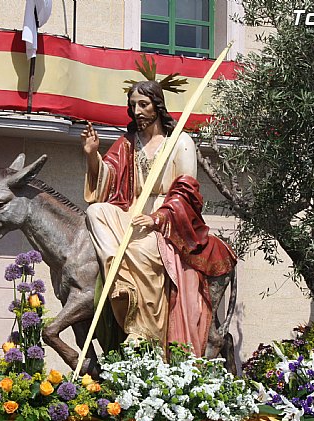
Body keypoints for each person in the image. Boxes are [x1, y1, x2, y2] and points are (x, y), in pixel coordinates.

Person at [81, 80, 237, 356]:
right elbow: (107, 181)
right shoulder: (128, 143)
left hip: (167, 220)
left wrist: (157, 219)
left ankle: (145, 328)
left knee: (141, 250)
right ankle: (118, 276)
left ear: (157, 106)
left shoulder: (179, 142)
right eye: (133, 105)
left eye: (143, 104)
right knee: (95, 212)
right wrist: (93, 156)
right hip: (131, 213)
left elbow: (187, 192)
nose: (137, 111)